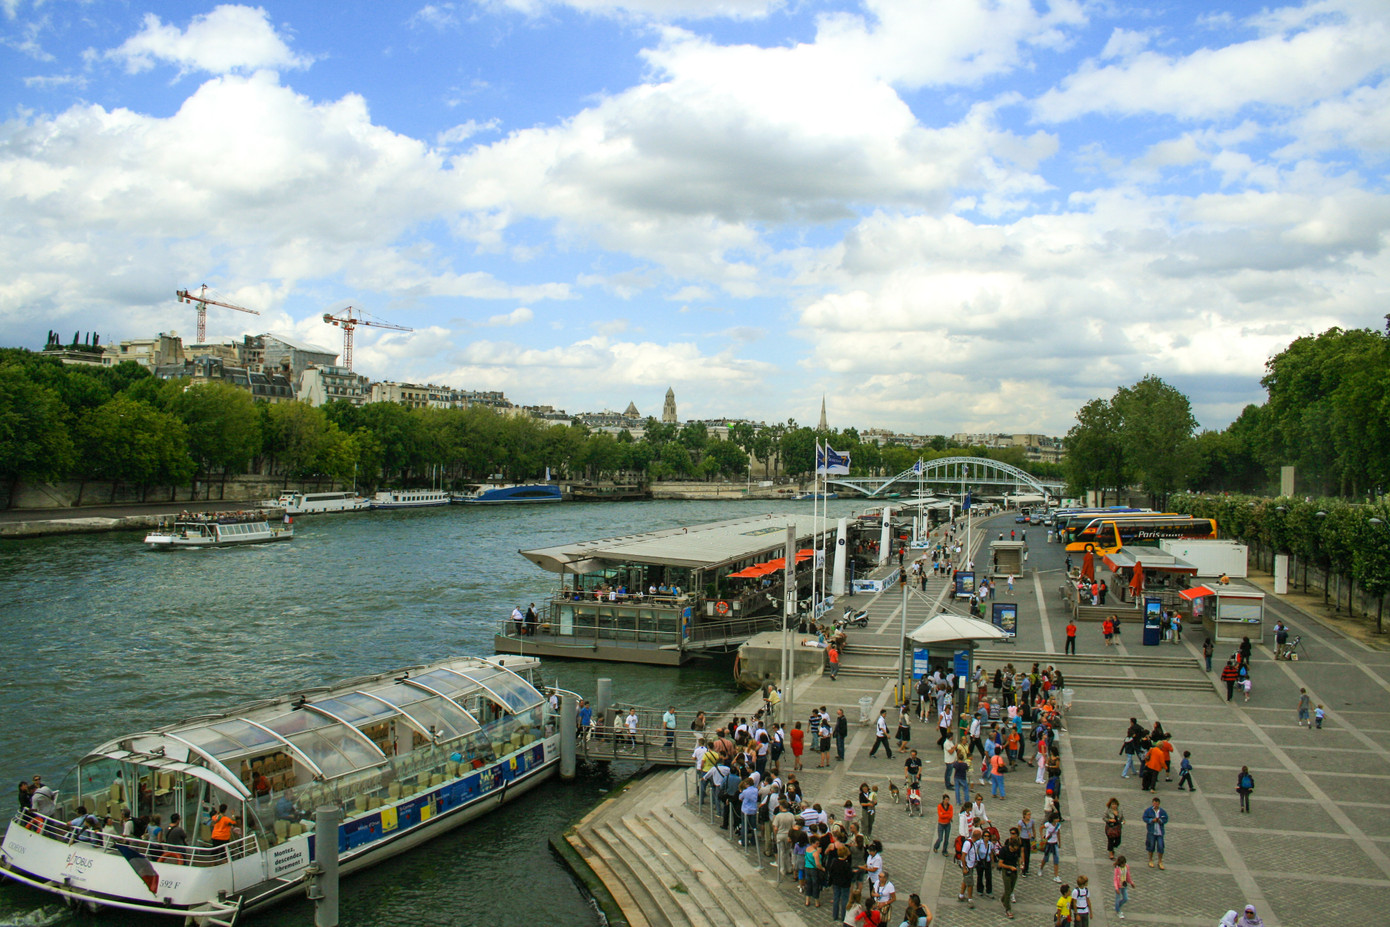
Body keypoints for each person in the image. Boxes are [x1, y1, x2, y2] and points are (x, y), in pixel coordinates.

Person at [998, 827, 1021, 919]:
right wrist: (1009, 867)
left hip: (1014, 871)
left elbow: (1018, 858)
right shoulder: (1004, 850)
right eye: (1013, 849)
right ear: (1010, 846)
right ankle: (1008, 909)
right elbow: (1000, 864)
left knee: (1011, 889)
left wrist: (1020, 864)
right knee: (1008, 891)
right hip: (1006, 871)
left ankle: (1004, 899)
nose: (1014, 850)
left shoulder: (1016, 850)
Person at [1142, 797, 1167, 869]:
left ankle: (1160, 861)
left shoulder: (1162, 811)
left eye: (1157, 803)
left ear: (1159, 804)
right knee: (1151, 846)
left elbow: (1165, 819)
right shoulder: (1148, 810)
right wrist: (1151, 820)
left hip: (1160, 832)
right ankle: (1150, 860)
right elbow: (1144, 818)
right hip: (1151, 832)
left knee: (1161, 846)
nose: (1155, 804)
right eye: (1154, 803)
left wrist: (1160, 820)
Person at [1042, 811, 1063, 881]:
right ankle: (1041, 868)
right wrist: (1042, 837)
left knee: (1056, 860)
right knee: (1046, 858)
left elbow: (1058, 834)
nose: (1058, 819)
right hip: (1048, 843)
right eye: (1056, 818)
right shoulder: (1048, 824)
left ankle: (1056, 876)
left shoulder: (1058, 825)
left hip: (1054, 843)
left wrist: (1059, 842)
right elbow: (1041, 828)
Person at [1113, 854, 1134, 919]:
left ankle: (1117, 906)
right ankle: (1118, 910)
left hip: (1124, 885)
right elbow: (1115, 879)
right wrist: (1116, 888)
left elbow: (1128, 876)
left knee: (1125, 898)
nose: (1124, 865)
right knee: (1117, 899)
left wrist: (1131, 883)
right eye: (1123, 864)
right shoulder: (1117, 869)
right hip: (1119, 886)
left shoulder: (1126, 867)